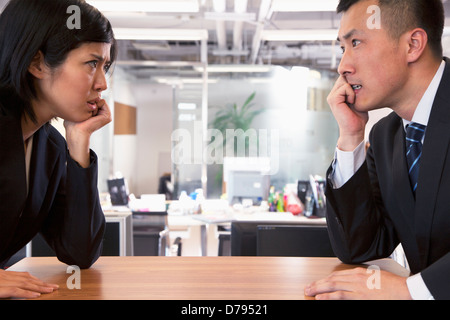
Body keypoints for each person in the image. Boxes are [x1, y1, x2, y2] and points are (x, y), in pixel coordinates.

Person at [304, 0, 450, 299]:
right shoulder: (387, 137)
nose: (342, 66)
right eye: (342, 48)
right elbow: (359, 246)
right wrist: (351, 136)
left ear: (412, 45)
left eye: (355, 42)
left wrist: (411, 291)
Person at [0, 0, 116, 299]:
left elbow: (79, 253)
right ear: (37, 63)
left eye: (105, 66)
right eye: (92, 64)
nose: (102, 84)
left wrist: (78, 144)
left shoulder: (48, 145)